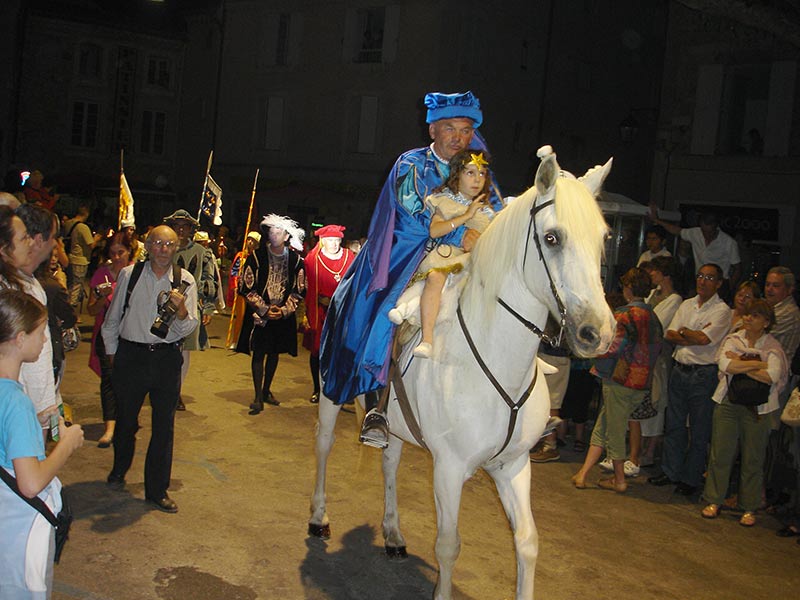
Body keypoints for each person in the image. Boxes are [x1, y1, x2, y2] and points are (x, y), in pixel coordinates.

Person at [320, 90, 502, 447]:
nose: (458, 137)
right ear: (432, 130)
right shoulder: (412, 164)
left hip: (468, 257)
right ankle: (377, 406)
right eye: (449, 128)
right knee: (381, 308)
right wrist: (464, 232)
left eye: (465, 130)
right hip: (410, 252)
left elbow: (494, 209)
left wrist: (492, 232)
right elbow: (412, 216)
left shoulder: (478, 168)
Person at [101, 225, 198, 513]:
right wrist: (112, 355)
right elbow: (113, 318)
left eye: (169, 244)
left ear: (176, 247)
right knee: (126, 421)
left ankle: (157, 490)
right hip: (131, 356)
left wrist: (181, 310)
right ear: (147, 246)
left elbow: (188, 327)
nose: (163, 250)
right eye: (157, 243)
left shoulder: (185, 281)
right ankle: (120, 469)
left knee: (164, 427)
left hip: (166, 359)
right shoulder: (129, 275)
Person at [0, 288, 84, 598]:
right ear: (20, 338)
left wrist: (33, 425)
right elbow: (31, 483)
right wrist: (67, 444)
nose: (46, 340)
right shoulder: (16, 402)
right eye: (41, 333)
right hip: (19, 535)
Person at [388, 149, 495, 358]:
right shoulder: (445, 200)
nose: (477, 179)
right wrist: (467, 216)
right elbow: (435, 231)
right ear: (457, 175)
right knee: (435, 277)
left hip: (475, 261)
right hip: (447, 256)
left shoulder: (488, 211)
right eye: (470, 173)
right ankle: (426, 339)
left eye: (481, 174)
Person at [571, 267, 662, 492]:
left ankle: (619, 480)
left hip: (620, 381)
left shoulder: (625, 315)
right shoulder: (653, 317)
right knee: (604, 425)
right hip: (642, 383)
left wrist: (590, 351)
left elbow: (612, 348)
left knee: (614, 430)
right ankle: (583, 473)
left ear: (628, 288)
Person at [701, 299, 787, 526]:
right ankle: (714, 500)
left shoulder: (773, 346)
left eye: (755, 315)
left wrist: (741, 363)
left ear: (766, 322)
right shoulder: (733, 339)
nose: (748, 318)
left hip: (759, 408)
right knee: (721, 454)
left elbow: (772, 376)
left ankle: (749, 506)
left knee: (753, 458)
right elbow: (725, 365)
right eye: (747, 314)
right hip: (729, 402)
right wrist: (758, 364)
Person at [648, 263, 732, 495]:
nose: (703, 281)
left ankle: (690, 478)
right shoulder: (687, 304)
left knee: (699, 429)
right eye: (700, 276)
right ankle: (670, 471)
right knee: (674, 424)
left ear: (719, 283)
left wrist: (684, 332)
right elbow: (670, 334)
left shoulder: (722, 310)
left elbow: (704, 340)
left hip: (703, 375)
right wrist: (690, 335)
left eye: (709, 278)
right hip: (680, 369)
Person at [235, 214, 305, 414]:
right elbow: (246, 286)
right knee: (259, 352)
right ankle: (258, 395)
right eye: (272, 231)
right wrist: (264, 308)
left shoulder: (295, 260)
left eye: (279, 232)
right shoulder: (256, 257)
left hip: (282, 315)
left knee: (274, 353)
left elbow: (300, 288)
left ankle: (266, 390)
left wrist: (283, 310)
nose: (274, 235)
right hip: (260, 315)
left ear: (286, 236)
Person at [3, 205, 61, 426]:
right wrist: (40, 412)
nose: (29, 243)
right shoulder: (9, 291)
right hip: (20, 408)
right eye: (23, 238)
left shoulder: (29, 282)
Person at [163, 210, 219, 409]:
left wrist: (209, 308)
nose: (180, 230)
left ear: (191, 229)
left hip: (190, 307)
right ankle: (162, 388)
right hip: (162, 306)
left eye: (184, 226)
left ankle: (176, 391)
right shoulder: (163, 248)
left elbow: (208, 280)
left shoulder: (202, 253)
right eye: (176, 226)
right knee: (162, 347)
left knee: (184, 351)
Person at [87, 232, 133, 448]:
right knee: (108, 380)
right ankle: (110, 427)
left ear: (129, 252)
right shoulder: (101, 274)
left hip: (131, 336)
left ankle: (127, 420)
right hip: (105, 335)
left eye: (120, 252)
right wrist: (100, 296)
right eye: (112, 253)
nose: (116, 257)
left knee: (129, 380)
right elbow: (91, 310)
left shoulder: (136, 273)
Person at [303, 224, 355, 403]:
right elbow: (307, 287)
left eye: (337, 240)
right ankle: (317, 389)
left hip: (344, 311)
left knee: (342, 351)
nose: (334, 244)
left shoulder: (349, 257)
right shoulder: (312, 259)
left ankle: (340, 388)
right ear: (322, 241)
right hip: (321, 312)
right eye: (330, 240)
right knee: (318, 351)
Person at [649, 208, 741, 299]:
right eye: (704, 231)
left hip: (718, 284)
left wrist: (729, 287)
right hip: (700, 280)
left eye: (710, 232)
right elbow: (676, 230)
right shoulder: (695, 233)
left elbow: (737, 268)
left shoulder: (729, 242)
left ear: (716, 226)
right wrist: (657, 220)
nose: (706, 235)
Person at [63, 206, 102, 310]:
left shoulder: (68, 223)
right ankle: (70, 310)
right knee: (76, 286)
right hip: (80, 259)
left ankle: (65, 307)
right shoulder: (83, 227)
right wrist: (96, 238)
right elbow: (91, 244)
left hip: (69, 257)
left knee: (69, 285)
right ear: (86, 214)